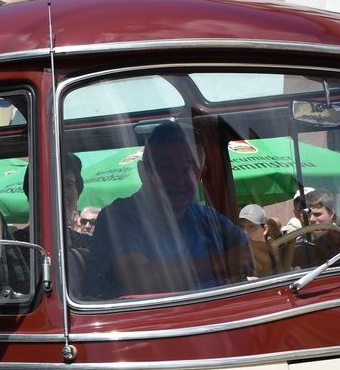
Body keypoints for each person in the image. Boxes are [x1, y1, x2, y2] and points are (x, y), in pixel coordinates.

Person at [84, 121, 249, 299]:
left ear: (201, 174)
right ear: (143, 172)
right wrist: (225, 262)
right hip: (146, 325)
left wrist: (261, 254)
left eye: (189, 168)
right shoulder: (118, 217)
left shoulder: (210, 219)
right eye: (166, 168)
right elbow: (139, 279)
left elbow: (248, 253)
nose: (179, 179)